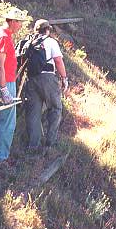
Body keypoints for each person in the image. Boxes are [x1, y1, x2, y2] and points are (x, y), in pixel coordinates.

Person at [0, 7, 28, 166]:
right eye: (18, 22)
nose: (20, 25)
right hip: (4, 83)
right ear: (11, 21)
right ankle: (1, 158)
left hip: (1, 81)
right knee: (7, 122)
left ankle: (1, 154)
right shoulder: (4, 37)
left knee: (5, 120)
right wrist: (4, 90)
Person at [24, 19, 69, 153]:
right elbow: (58, 61)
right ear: (48, 30)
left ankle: (33, 146)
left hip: (31, 79)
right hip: (48, 78)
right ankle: (50, 142)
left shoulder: (29, 42)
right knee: (55, 108)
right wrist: (64, 78)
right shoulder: (51, 42)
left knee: (33, 112)